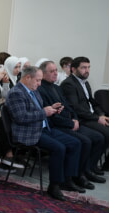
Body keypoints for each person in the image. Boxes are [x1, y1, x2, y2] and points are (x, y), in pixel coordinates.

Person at [5, 65, 83, 201]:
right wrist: (44, 112)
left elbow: (39, 110)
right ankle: (54, 186)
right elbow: (21, 117)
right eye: (38, 80)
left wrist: (52, 109)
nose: (40, 84)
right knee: (59, 148)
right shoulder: (16, 93)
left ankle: (67, 180)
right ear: (27, 77)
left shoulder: (33, 90)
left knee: (75, 143)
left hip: (43, 128)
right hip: (28, 132)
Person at [37, 60, 106, 186]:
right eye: (51, 71)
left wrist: (75, 119)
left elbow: (69, 106)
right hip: (58, 125)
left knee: (97, 137)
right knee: (84, 141)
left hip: (70, 122)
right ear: (43, 73)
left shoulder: (56, 88)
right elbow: (51, 116)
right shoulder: (40, 90)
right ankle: (75, 176)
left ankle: (86, 170)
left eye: (56, 70)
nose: (55, 73)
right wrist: (70, 124)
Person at [60, 56, 109, 161]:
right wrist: (97, 118)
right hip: (82, 119)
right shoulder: (69, 84)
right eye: (83, 68)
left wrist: (101, 115)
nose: (87, 70)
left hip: (91, 116)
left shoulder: (85, 82)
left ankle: (97, 165)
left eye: (88, 67)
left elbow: (92, 101)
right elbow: (76, 108)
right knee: (106, 134)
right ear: (73, 69)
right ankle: (90, 166)